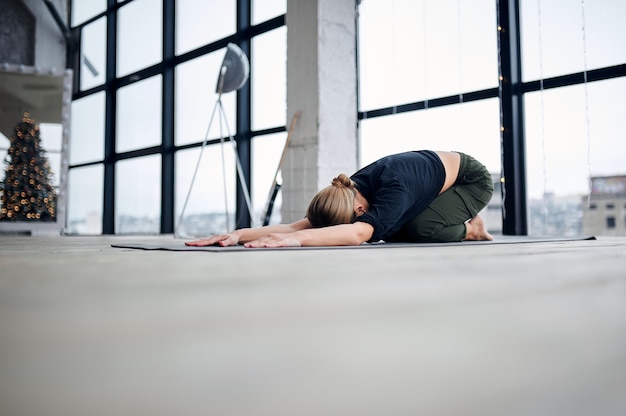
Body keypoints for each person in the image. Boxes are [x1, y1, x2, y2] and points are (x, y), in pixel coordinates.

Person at [186, 150, 494, 248]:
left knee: (416, 230)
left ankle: (472, 229)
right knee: (389, 228)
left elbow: (359, 233)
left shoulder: (392, 190)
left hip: (470, 182)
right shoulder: (348, 192)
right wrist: (239, 234)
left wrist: (298, 242)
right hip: (431, 185)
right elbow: (299, 226)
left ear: (358, 208)